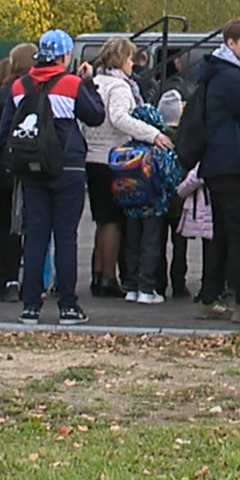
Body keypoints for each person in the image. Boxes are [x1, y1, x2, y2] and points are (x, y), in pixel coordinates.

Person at [2, 30, 105, 326]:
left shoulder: (19, 85)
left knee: (35, 237)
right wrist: (88, 82)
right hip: (68, 166)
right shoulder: (72, 84)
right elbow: (95, 115)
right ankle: (68, 307)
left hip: (31, 167)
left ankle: (30, 306)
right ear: (65, 56)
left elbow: (6, 127)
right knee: (65, 237)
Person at [191, 19, 240, 323]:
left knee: (222, 232)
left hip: (217, 161)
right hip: (230, 161)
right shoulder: (231, 76)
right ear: (231, 43)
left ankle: (210, 296)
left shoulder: (216, 73)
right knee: (237, 232)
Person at [82, 37, 172, 299]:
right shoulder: (119, 87)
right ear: (121, 59)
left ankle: (98, 274)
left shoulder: (95, 82)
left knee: (101, 220)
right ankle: (109, 276)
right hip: (114, 158)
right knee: (113, 221)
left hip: (91, 156)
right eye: (131, 58)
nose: (133, 63)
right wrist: (152, 134)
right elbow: (120, 118)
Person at [0, 44, 35, 303]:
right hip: (30, 165)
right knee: (22, 226)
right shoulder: (34, 91)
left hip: (4, 165)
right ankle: (18, 281)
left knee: (2, 224)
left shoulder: (4, 93)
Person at [120, 103, 182, 304]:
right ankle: (147, 288)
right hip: (155, 204)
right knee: (150, 244)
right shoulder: (160, 149)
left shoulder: (126, 149)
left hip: (130, 204)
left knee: (132, 244)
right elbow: (172, 178)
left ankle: (131, 286)